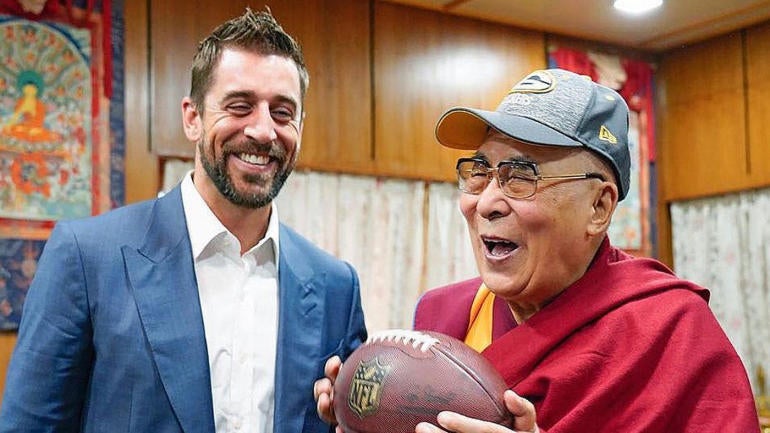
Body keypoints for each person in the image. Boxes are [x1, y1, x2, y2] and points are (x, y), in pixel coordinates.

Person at [314, 68, 760, 432]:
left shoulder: (671, 334)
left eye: (521, 175)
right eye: (479, 172)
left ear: (599, 207)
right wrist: (362, 416)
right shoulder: (442, 316)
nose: (485, 202)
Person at [0, 8, 366, 433]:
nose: (264, 131)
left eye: (282, 112)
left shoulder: (335, 286)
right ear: (192, 118)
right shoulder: (87, 258)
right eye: (240, 105)